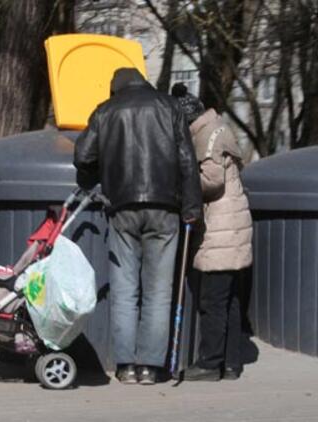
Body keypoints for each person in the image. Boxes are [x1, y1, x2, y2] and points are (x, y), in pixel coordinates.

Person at [74, 69, 203, 385]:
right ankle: (150, 367)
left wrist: (100, 176)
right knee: (159, 292)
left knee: (124, 289)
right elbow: (187, 159)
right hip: (165, 208)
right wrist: (191, 207)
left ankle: (125, 366)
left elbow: (82, 156)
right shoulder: (169, 106)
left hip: (122, 209)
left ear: (115, 88)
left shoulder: (106, 110)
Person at [171, 83, 253, 381]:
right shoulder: (217, 127)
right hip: (232, 225)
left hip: (221, 228)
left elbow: (213, 179)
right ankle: (231, 364)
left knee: (213, 300)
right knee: (229, 300)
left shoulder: (205, 135)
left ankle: (209, 363)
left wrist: (182, 185)